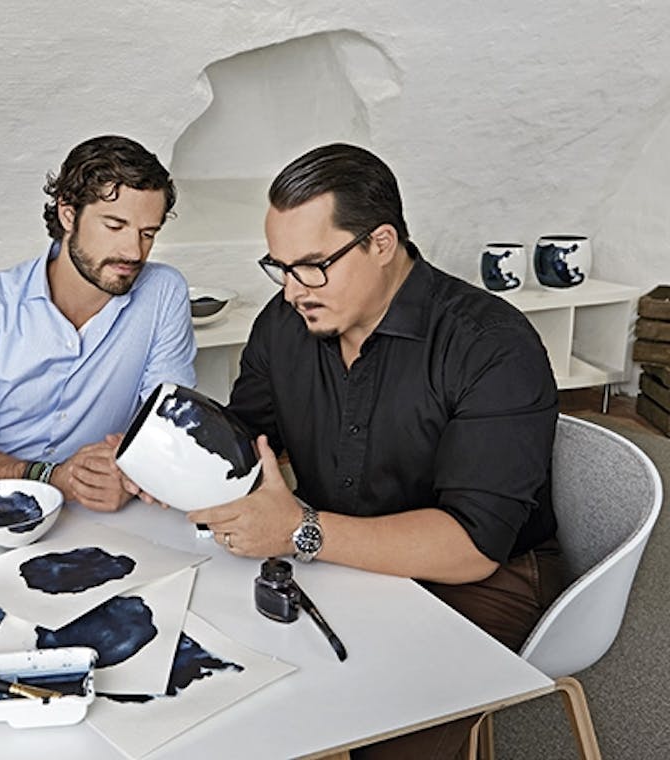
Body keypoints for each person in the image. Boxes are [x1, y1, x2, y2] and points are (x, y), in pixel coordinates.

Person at [186, 143, 565, 759]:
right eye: (280, 267)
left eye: (313, 266)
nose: (292, 291)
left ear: (382, 243)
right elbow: (247, 437)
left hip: (482, 579)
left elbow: (472, 547)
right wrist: (163, 455)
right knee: (222, 694)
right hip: (339, 554)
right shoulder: (286, 325)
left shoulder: (491, 345)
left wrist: (301, 530)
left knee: (369, 730)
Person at [0, 135, 196, 512]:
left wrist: (132, 473)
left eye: (147, 234)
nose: (134, 251)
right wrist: (54, 478)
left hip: (107, 516)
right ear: (68, 214)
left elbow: (170, 423)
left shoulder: (163, 292)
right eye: (114, 226)